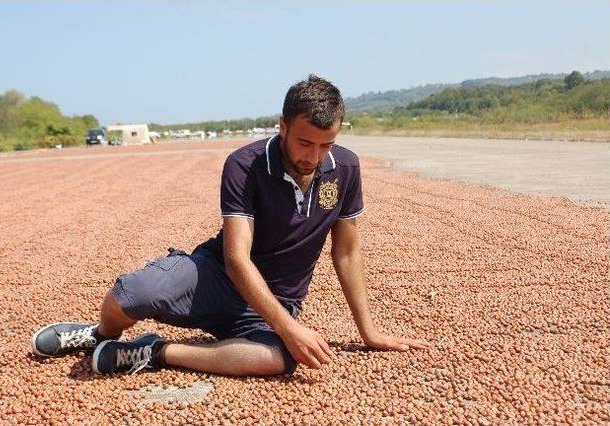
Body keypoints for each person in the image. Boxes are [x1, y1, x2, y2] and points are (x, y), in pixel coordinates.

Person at [31, 75, 431, 376]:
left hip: (275, 299)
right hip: (216, 276)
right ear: (283, 126)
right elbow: (237, 259)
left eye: (325, 145)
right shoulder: (246, 164)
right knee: (132, 293)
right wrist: (289, 328)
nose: (314, 156)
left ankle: (154, 353)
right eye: (305, 143)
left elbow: (345, 252)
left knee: (281, 357)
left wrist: (368, 331)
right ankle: (99, 335)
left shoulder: (345, 168)